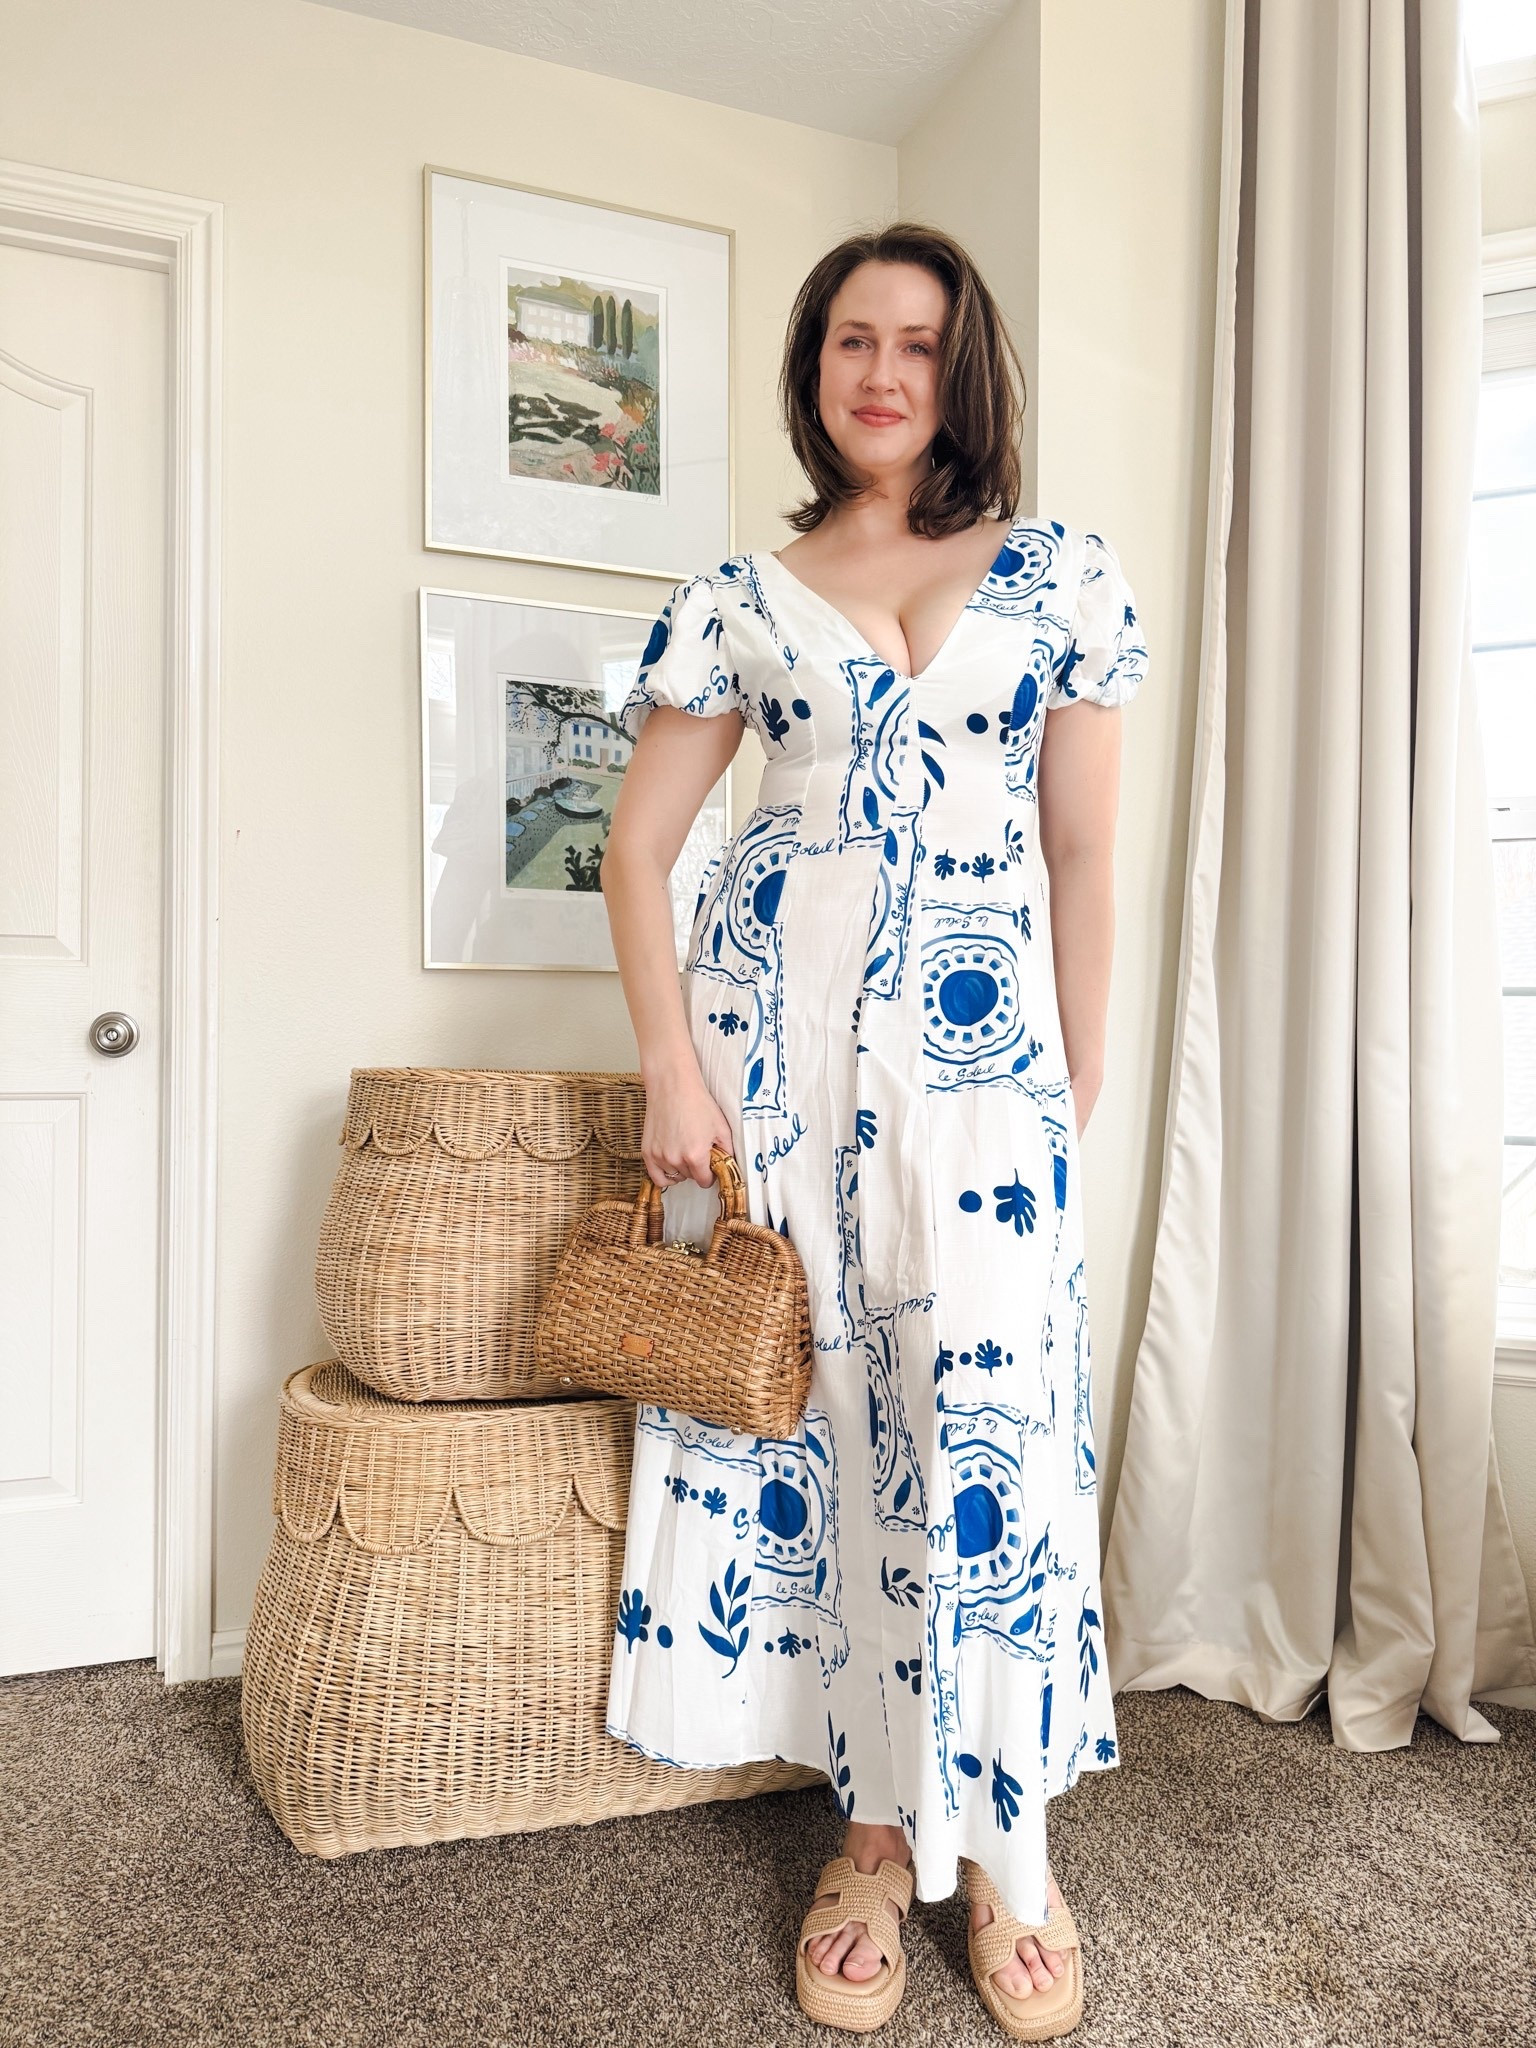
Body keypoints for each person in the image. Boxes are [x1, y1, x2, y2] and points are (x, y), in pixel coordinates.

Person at [598, 221, 1148, 2040]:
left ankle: (1015, 1851)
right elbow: (638, 844)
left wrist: (1076, 1079)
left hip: (987, 1087)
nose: (884, 373)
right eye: (852, 341)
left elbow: (1082, 849)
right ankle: (873, 1826)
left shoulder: (1059, 574)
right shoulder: (743, 595)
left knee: (987, 1422)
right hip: (783, 1071)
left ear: (961, 365)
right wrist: (675, 1070)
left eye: (917, 342)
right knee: (830, 1409)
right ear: (814, 369)